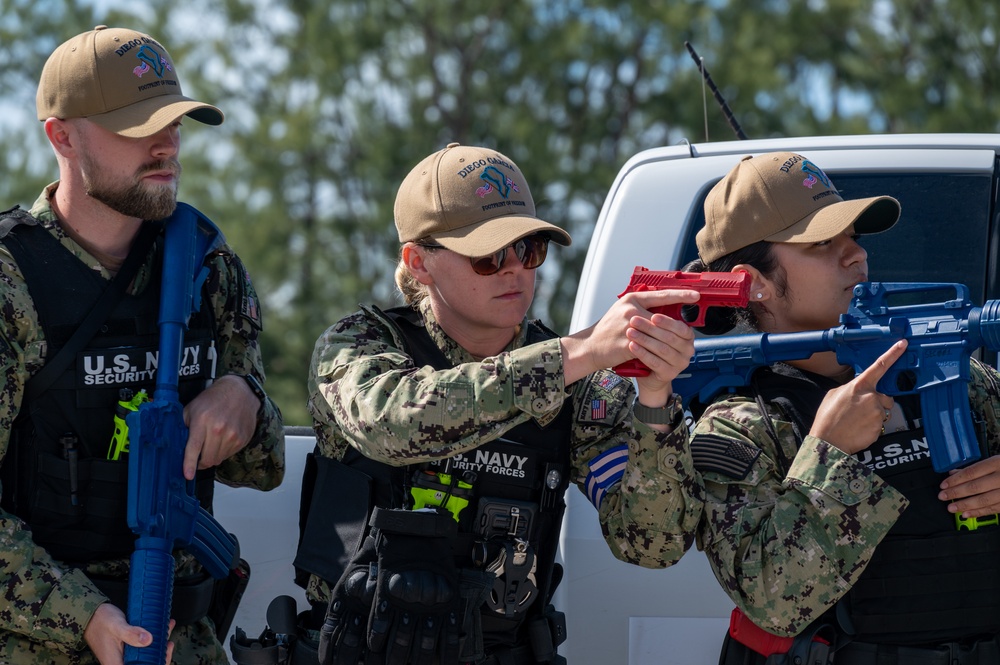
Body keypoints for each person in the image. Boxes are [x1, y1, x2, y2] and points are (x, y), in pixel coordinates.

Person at [296, 142, 702, 665]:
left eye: (528, 250)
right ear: (419, 263)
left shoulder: (580, 384)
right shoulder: (360, 344)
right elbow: (394, 423)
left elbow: (653, 543)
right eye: (488, 256)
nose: (515, 270)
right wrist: (576, 354)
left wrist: (655, 397)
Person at [0, 25, 285, 664]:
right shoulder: (11, 282)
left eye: (174, 122)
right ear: (62, 136)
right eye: (139, 127)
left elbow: (263, 467)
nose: (166, 144)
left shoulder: (207, 264)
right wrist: (84, 615)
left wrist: (243, 398)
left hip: (187, 638)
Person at [683, 151, 1000, 664]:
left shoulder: (955, 379)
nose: (856, 255)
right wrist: (829, 455)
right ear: (754, 282)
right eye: (822, 243)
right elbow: (772, 601)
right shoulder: (739, 427)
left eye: (853, 237)